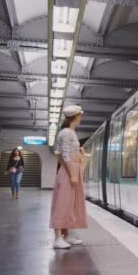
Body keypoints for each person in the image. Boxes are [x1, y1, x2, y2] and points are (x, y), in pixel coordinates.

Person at [50, 105, 88, 249]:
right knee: (63, 203)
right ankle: (58, 237)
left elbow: (65, 150)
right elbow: (64, 154)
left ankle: (68, 235)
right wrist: (72, 174)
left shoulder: (69, 132)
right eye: (80, 115)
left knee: (71, 204)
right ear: (76, 116)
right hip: (68, 172)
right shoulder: (67, 132)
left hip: (71, 170)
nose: (81, 117)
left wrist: (78, 150)